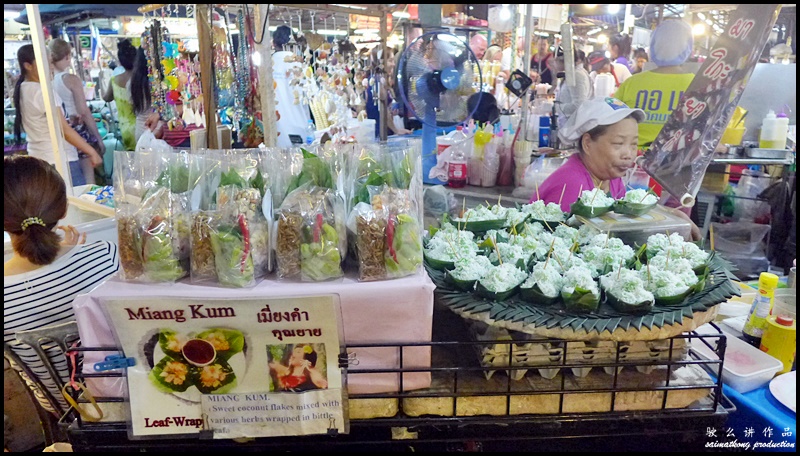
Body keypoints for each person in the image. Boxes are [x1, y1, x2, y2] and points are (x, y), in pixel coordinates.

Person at [4, 155, 120, 417]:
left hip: (62, 409)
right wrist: (75, 255)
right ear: (64, 208)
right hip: (123, 395)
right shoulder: (105, 257)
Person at [530, 97, 701, 240]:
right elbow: (562, 245)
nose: (629, 154)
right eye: (619, 143)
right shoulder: (572, 184)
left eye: (633, 144)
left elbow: (623, 219)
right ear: (588, 143)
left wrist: (669, 215)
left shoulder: (611, 179)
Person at [13, 44, 102, 186]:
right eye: (46, 63)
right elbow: (64, 131)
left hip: (40, 157)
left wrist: (69, 121)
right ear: (28, 66)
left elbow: (49, 123)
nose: (51, 67)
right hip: (59, 158)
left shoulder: (24, 88)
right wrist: (92, 151)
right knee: (75, 204)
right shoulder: (42, 91)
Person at [615, 20, 695, 149]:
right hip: (677, 159)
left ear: (652, 46)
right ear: (688, 48)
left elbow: (611, 121)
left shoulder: (631, 83)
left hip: (632, 160)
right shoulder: (699, 85)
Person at [49, 38, 105, 185]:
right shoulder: (71, 79)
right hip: (78, 130)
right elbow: (83, 111)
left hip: (60, 133)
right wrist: (98, 137)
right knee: (89, 181)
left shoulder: (47, 80)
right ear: (67, 56)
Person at [272, 25, 311, 147]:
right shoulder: (301, 66)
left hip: (276, 132)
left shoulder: (267, 66)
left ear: (273, 43)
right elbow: (312, 96)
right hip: (301, 128)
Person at [102, 39, 138, 150]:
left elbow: (106, 98)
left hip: (124, 128)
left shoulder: (114, 80)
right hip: (140, 126)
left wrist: (100, 80)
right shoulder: (139, 80)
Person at [553, 46, 592, 134]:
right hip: (567, 127)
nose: (554, 63)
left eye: (555, 60)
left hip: (574, 129)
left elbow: (579, 105)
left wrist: (557, 107)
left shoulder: (576, 76)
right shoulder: (570, 74)